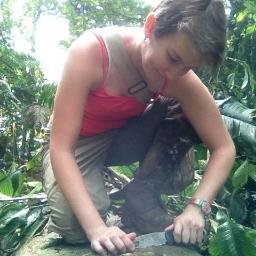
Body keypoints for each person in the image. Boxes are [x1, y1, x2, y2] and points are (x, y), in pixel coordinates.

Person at [42, 0, 236, 255]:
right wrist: (97, 229)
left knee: (192, 111)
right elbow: (61, 148)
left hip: (125, 136)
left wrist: (197, 207)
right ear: (151, 26)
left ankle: (141, 198)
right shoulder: (91, 52)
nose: (175, 73)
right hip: (78, 143)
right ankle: (90, 188)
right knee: (74, 224)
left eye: (188, 67)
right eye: (173, 58)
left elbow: (224, 147)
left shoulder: (178, 77)